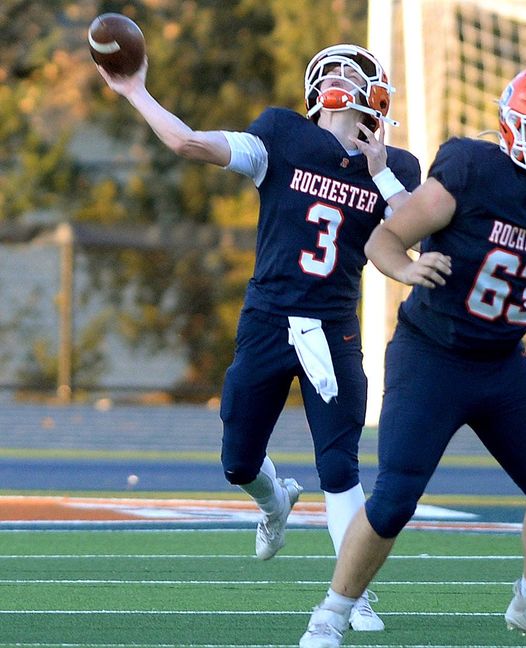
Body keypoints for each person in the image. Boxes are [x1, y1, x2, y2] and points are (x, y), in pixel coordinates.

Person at [298, 65, 526, 648]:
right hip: (432, 356)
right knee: (393, 499)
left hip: (500, 363)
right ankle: (332, 614)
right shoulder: (472, 171)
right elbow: (383, 238)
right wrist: (407, 269)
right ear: (513, 128)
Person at [96, 43, 421, 631]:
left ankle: (353, 590)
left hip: (334, 328)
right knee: (238, 460)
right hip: (270, 318)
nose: (354, 78)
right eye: (345, 70)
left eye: (363, 71)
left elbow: (415, 241)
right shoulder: (282, 135)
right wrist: (135, 91)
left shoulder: (398, 166)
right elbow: (189, 143)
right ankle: (274, 501)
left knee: (341, 467)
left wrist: (382, 175)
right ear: (321, 85)